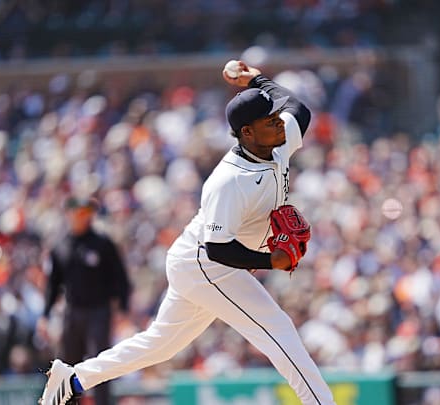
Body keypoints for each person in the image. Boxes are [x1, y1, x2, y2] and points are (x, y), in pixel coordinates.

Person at [39, 61, 336, 405]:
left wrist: (255, 79)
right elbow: (217, 249)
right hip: (204, 265)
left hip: (196, 262)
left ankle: (73, 378)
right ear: (247, 133)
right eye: (269, 121)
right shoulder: (228, 181)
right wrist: (272, 260)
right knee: (278, 330)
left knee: (160, 344)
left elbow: (298, 109)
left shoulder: (276, 141)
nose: (279, 123)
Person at [37, 196, 131, 405]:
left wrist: (122, 309)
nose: (84, 217)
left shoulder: (103, 244)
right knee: (67, 363)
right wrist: (45, 314)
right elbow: (53, 285)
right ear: (69, 214)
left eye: (87, 212)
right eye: (79, 212)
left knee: (101, 363)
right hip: (73, 311)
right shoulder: (60, 246)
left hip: (99, 311)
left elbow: (120, 278)